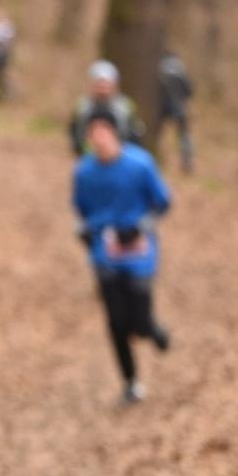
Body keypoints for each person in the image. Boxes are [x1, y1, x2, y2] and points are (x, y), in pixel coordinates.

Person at [72, 109, 172, 405]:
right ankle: (130, 382)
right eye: (93, 132)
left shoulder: (141, 164)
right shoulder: (84, 171)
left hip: (140, 251)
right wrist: (87, 231)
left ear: (117, 132)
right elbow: (82, 209)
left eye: (105, 130)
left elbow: (162, 203)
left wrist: (141, 226)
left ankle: (152, 330)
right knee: (116, 321)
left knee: (138, 320)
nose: (99, 137)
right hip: (105, 252)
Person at [69, 59, 144, 156]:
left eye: (106, 84)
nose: (103, 89)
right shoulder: (83, 107)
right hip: (90, 156)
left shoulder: (125, 107)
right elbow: (76, 134)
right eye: (99, 84)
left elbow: (134, 134)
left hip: (121, 156)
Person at [156, 49, 194, 173]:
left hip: (163, 108)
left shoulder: (161, 71)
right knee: (183, 135)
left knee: (159, 133)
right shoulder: (181, 73)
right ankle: (186, 161)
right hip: (179, 107)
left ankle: (159, 156)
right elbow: (190, 91)